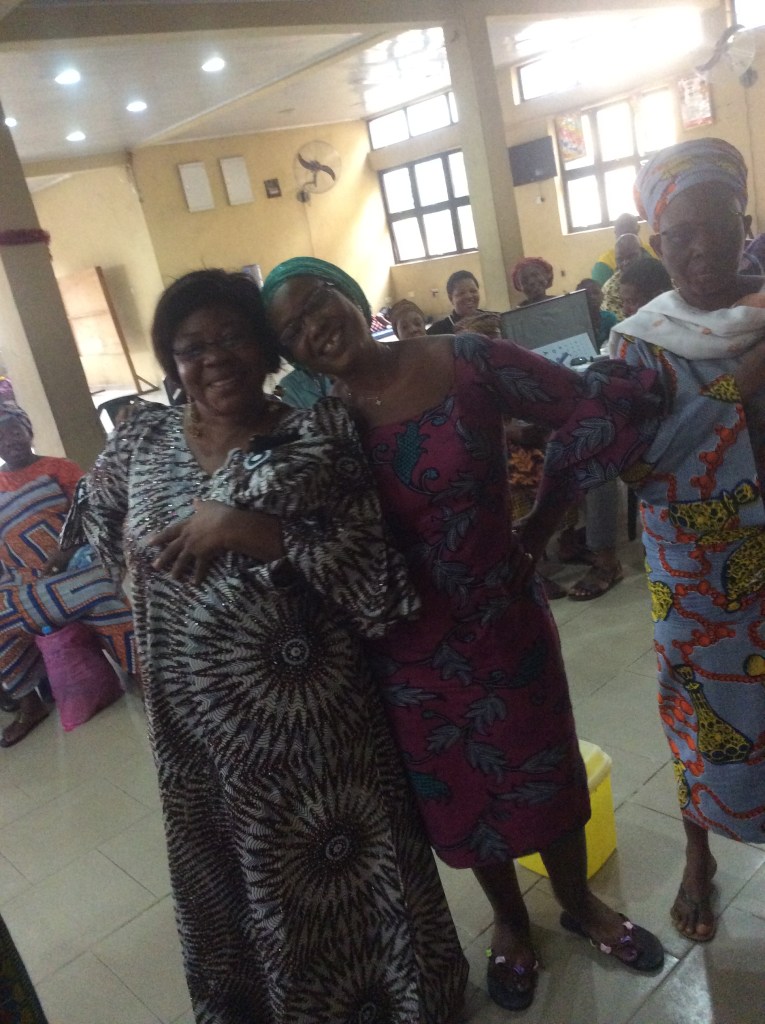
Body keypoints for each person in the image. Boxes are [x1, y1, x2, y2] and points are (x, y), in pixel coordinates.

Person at [61, 269, 467, 1024]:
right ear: (171, 362)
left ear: (264, 346)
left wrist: (246, 531)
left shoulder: (318, 434)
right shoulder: (141, 439)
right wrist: (147, 601)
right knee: (241, 885)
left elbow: (375, 575)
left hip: (318, 729)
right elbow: (96, 516)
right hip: (199, 734)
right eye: (190, 348)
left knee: (344, 876)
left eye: (231, 338)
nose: (212, 358)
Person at [262, 256, 665, 1012]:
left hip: (504, 620)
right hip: (404, 651)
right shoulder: (316, 428)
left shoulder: (466, 360)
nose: (314, 328)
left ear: (348, 295)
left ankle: (579, 903)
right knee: (463, 791)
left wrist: (540, 524)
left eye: (317, 302)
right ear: (288, 352)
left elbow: (588, 407)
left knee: (544, 767)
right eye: (291, 330)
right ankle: (510, 920)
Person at [609, 137, 765, 944]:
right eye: (678, 236)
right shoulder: (638, 341)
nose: (700, 248)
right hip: (697, 570)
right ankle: (698, 854)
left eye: (717, 225)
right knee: (699, 708)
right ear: (655, 241)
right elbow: (635, 464)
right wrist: (740, 386)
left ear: (746, 222)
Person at [0, 402, 136, 746]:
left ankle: (138, 668)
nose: (9, 439)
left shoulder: (59, 468)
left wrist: (64, 553)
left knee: (98, 589)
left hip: (76, 566)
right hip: (24, 582)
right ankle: (30, 704)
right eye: (0, 436)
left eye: (14, 430)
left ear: (29, 431)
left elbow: (95, 515)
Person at [591, 212, 656, 285]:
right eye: (620, 259)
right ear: (616, 233)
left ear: (638, 229)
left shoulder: (652, 250)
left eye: (631, 233)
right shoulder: (603, 265)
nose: (626, 263)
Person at [601, 234, 648, 320]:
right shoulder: (610, 290)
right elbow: (624, 325)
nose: (626, 262)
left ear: (642, 252)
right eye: (620, 259)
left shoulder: (656, 273)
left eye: (631, 256)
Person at [426, 270, 486, 334]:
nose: (469, 296)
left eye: (473, 291)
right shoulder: (437, 331)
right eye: (461, 293)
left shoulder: (491, 321)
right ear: (450, 298)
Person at [576, 278, 618, 346]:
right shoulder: (576, 323)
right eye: (587, 294)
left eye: (596, 293)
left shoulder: (609, 319)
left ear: (602, 295)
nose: (592, 297)